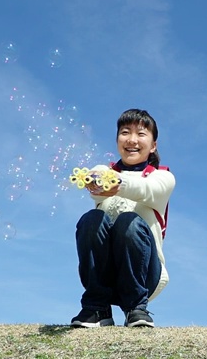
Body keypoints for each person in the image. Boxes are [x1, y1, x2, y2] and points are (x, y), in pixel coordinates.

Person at [71, 109, 175, 328]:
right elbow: (97, 178)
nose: (132, 140)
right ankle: (97, 309)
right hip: (106, 274)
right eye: (125, 132)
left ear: (153, 145)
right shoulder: (104, 169)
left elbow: (145, 189)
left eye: (141, 134)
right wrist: (94, 181)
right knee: (91, 219)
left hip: (145, 277)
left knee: (129, 221)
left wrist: (117, 184)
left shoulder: (163, 177)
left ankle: (136, 308)